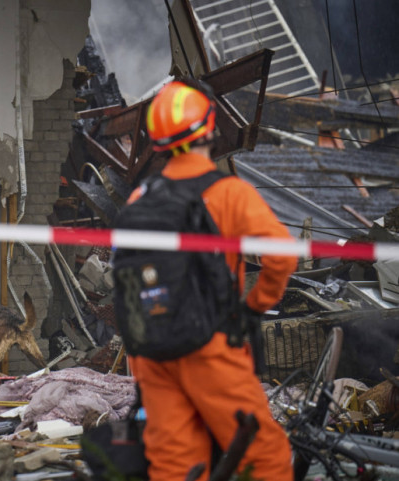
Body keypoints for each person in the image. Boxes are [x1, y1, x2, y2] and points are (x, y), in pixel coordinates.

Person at [127, 78, 297, 480]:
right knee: (265, 459)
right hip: (211, 346)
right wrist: (255, 305)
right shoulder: (229, 193)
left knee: (176, 466)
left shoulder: (139, 199)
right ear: (209, 129)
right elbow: (282, 255)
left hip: (152, 352)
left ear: (158, 143)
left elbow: (128, 275)